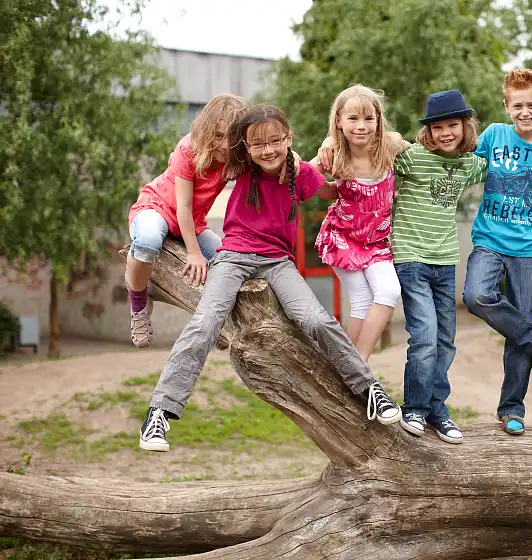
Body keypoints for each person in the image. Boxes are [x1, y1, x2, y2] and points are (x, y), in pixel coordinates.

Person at [139, 104, 401, 453]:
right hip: (232, 258)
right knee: (206, 322)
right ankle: (160, 412)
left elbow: (332, 191)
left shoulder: (299, 170)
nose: (268, 150)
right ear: (246, 147)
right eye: (258, 143)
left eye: (276, 141)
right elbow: (204, 141)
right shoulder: (241, 165)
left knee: (316, 319)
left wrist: (337, 154)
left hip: (279, 262)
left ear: (288, 138)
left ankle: (370, 389)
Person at [462, 69, 532, 436]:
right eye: (518, 105)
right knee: (476, 295)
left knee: (517, 330)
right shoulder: (494, 135)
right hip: (489, 240)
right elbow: (463, 161)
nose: (525, 112)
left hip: (527, 248)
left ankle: (512, 407)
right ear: (506, 106)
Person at [391, 89, 487, 444]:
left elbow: (502, 155)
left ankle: (436, 408)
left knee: (446, 340)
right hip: (411, 256)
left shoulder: (469, 164)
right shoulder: (411, 158)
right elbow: (374, 151)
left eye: (453, 125)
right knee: (426, 335)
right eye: (438, 127)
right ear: (427, 132)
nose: (446, 133)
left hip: (446, 261)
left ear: (465, 127)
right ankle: (414, 407)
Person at [125, 93, 248, 348]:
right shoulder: (188, 149)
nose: (225, 145)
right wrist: (193, 252)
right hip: (157, 207)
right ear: (206, 130)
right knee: (147, 241)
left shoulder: (237, 158)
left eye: (233, 137)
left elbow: (274, 160)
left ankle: (213, 322)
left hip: (193, 222)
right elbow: (183, 205)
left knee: (228, 263)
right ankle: (138, 304)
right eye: (218, 135)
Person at [313, 85, 403, 362]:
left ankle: (357, 361)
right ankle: (355, 365)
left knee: (389, 290)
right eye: (352, 119)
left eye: (368, 119)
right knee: (362, 299)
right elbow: (305, 176)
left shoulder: (388, 147)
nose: (361, 126)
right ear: (339, 121)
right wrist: (325, 148)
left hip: (377, 242)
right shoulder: (335, 155)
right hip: (343, 238)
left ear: (378, 120)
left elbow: (407, 143)